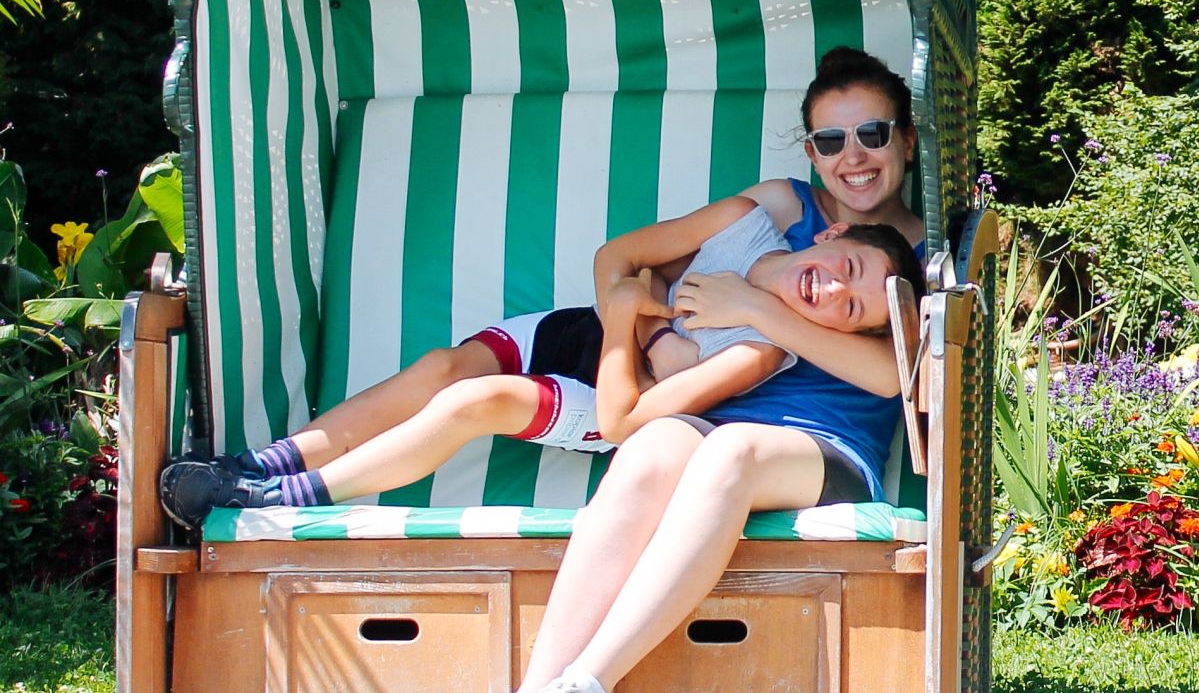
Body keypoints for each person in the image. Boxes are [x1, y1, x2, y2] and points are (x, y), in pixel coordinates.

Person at [155, 207, 923, 519]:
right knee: (441, 369)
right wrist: (630, 309)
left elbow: (628, 414)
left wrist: (633, 320)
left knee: (472, 401)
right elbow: (617, 257)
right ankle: (253, 463)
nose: (832, 289)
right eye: (844, 266)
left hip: (615, 379)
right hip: (584, 331)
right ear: (828, 236)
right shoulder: (747, 227)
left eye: (851, 305)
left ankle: (289, 498)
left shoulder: (763, 348)